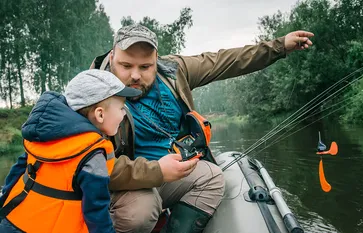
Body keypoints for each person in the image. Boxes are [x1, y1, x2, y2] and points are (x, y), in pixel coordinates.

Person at [90, 24, 314, 233]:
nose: (135, 75)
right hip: (129, 185)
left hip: (170, 175)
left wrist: (279, 46)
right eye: (126, 66)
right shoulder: (93, 95)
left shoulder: (174, 71)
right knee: (140, 213)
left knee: (212, 177)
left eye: (145, 66)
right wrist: (157, 171)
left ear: (156, 60)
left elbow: (225, 61)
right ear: (112, 57)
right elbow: (99, 168)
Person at [0, 70, 141, 233]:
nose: (124, 114)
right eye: (122, 108)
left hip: (11, 222)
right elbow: (96, 211)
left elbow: (15, 174)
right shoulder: (93, 154)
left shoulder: (43, 136)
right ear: (100, 114)